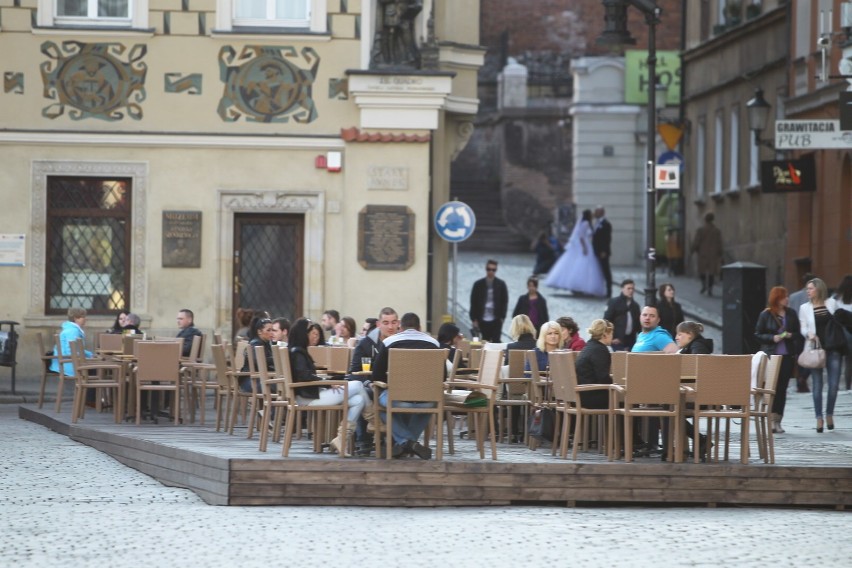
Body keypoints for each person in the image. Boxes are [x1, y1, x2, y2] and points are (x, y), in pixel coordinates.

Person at [288, 317, 367, 456]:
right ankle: (374, 420)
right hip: (309, 398)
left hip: (311, 394)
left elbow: (305, 375)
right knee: (358, 384)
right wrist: (327, 382)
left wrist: (326, 381)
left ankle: (341, 439)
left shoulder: (297, 351)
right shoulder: (298, 353)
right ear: (303, 334)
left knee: (358, 401)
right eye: (313, 333)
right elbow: (304, 376)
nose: (315, 336)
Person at [370, 312, 443, 459]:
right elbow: (442, 376)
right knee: (432, 402)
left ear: (400, 327)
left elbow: (376, 375)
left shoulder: (390, 342)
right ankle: (410, 443)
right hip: (427, 401)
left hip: (397, 398)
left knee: (380, 405)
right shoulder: (434, 344)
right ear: (420, 327)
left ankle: (405, 442)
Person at [754, 287, 801, 433]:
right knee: (771, 388)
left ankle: (778, 420)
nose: (787, 299)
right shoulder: (766, 314)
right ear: (776, 298)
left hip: (787, 355)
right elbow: (757, 333)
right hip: (771, 356)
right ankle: (770, 419)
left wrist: (790, 335)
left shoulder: (791, 313)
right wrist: (772, 338)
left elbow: (798, 333)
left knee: (782, 388)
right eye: (783, 297)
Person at [798, 278, 841, 433]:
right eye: (807, 289)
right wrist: (808, 333)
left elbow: (839, 323)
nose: (808, 291)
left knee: (834, 385)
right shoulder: (804, 308)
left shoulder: (832, 303)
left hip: (833, 349)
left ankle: (829, 414)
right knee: (817, 386)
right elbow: (802, 327)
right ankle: (819, 418)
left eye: (811, 288)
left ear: (819, 289)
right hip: (815, 349)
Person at [544, 209, 607, 297]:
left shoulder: (585, 223)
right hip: (585, 245)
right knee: (584, 265)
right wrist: (584, 247)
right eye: (591, 214)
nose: (592, 215)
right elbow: (581, 236)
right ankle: (580, 286)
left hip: (585, 244)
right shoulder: (586, 223)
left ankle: (580, 286)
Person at [574, 319, 614, 409]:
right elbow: (603, 378)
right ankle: (618, 423)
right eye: (611, 333)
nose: (612, 336)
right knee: (626, 401)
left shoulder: (588, 347)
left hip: (581, 394)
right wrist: (616, 384)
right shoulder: (600, 350)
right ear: (605, 334)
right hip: (592, 397)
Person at [469, 259, 509, 342]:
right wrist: (474, 319)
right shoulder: (478, 284)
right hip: (482, 319)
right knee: (484, 341)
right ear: (486, 269)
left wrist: (502, 317)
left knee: (496, 342)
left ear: (496, 270)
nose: (491, 272)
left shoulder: (501, 284)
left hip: (496, 319)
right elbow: (473, 302)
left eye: (493, 270)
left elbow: (504, 301)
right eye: (489, 269)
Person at [788, 272, 816, 392]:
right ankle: (803, 378)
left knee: (799, 357)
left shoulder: (793, 296)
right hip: (810, 330)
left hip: (796, 330)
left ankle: (800, 380)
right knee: (814, 356)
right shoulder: (813, 297)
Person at [49, 307, 93, 376]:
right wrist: (87, 357)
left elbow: (77, 350)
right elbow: (70, 351)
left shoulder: (70, 329)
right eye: (83, 317)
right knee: (96, 370)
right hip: (68, 365)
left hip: (64, 364)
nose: (85, 319)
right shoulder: (73, 331)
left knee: (93, 367)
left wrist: (90, 355)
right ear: (75, 318)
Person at [691, 212, 723, 296]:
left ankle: (704, 285)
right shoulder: (716, 231)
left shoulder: (701, 230)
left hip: (703, 254)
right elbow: (719, 243)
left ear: (705, 219)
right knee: (712, 272)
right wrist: (720, 253)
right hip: (713, 254)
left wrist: (693, 250)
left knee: (702, 271)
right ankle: (710, 289)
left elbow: (696, 242)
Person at [604, 279, 641, 351]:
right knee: (620, 359)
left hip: (631, 341)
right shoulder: (614, 302)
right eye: (628, 288)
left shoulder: (635, 306)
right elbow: (606, 320)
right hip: (617, 340)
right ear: (622, 289)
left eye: (632, 288)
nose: (631, 291)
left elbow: (638, 325)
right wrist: (611, 338)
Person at [240, 317, 274, 393]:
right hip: (249, 381)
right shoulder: (255, 344)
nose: (272, 333)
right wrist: (276, 360)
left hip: (260, 379)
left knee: (280, 385)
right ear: (259, 331)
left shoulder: (267, 343)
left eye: (273, 330)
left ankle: (268, 405)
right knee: (279, 387)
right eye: (268, 330)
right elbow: (260, 362)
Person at [830, 275, 852, 390]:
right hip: (850, 331)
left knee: (837, 359)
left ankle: (835, 384)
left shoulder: (835, 298)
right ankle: (848, 385)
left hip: (838, 331)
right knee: (849, 361)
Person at [592, 206, 613, 298]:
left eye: (597, 212)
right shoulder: (597, 223)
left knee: (606, 271)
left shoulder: (606, 224)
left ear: (601, 213)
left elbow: (607, 239)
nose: (595, 213)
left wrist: (604, 250)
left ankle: (609, 291)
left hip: (602, 252)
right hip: (596, 252)